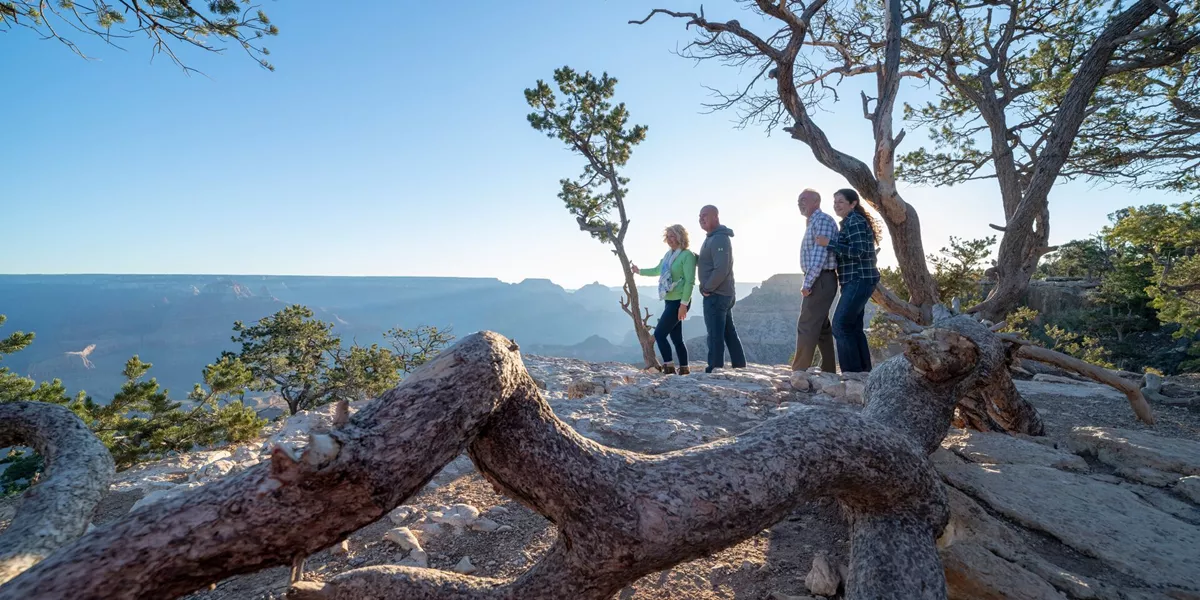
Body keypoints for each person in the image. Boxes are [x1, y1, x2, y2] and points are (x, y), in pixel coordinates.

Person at [815, 188, 881, 373]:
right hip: (856, 279)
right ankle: (863, 372)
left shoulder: (855, 222)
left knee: (840, 326)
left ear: (853, 204)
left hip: (858, 279)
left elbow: (859, 251)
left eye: (841, 202)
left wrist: (829, 243)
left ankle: (851, 373)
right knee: (853, 327)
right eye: (835, 202)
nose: (836, 205)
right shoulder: (851, 222)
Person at [631, 225, 698, 375]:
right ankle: (684, 369)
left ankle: (669, 368)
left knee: (660, 335)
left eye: (672, 236)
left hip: (680, 301)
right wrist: (639, 271)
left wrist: (683, 305)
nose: (669, 240)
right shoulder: (668, 256)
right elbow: (657, 270)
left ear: (681, 237)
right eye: (667, 237)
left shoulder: (688, 256)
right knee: (676, 338)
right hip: (669, 300)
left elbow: (690, 282)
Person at [792, 189, 839, 373]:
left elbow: (818, 256)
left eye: (804, 199)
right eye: (798, 200)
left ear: (816, 202)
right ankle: (828, 370)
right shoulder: (814, 222)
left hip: (820, 278)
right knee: (822, 327)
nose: (800, 203)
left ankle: (799, 371)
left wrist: (808, 283)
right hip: (821, 278)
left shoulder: (822, 221)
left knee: (807, 324)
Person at [696, 205, 746, 373]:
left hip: (717, 294)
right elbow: (709, 262)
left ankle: (715, 369)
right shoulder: (711, 237)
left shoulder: (719, 239)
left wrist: (707, 288)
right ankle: (739, 366)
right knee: (728, 332)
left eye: (705, 215)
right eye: (699, 216)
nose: (701, 218)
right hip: (722, 293)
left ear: (715, 217)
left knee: (715, 334)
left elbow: (721, 269)